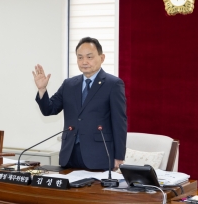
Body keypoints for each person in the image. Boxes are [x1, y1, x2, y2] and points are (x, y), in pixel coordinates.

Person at [33, 36, 127, 171]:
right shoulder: (69, 84)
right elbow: (49, 109)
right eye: (80, 57)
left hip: (99, 155)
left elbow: (119, 122)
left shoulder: (113, 84)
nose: (84, 62)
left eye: (89, 57)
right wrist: (42, 89)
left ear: (102, 58)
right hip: (70, 154)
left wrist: (119, 156)